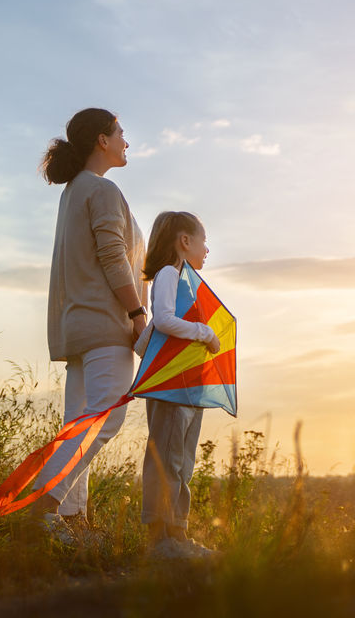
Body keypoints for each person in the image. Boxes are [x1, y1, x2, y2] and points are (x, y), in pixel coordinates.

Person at [32, 108, 147, 544]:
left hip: (76, 326)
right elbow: (112, 256)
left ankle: (69, 519)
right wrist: (137, 314)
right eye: (120, 133)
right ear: (102, 140)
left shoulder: (74, 191)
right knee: (105, 419)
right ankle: (45, 508)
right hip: (105, 324)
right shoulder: (101, 189)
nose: (125, 141)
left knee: (79, 423)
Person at [134, 211, 221, 559]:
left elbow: (155, 332)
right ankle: (161, 539)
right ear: (184, 241)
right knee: (167, 457)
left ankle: (178, 534)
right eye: (203, 240)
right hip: (170, 387)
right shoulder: (169, 274)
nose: (208, 249)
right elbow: (164, 320)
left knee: (182, 460)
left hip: (187, 387)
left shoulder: (186, 282)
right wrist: (206, 333)